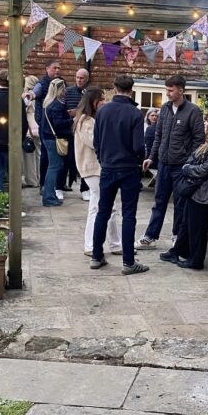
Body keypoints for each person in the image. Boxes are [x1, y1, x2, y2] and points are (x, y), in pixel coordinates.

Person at [138, 75, 205, 250]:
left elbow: (199, 140)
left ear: (181, 90)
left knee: (180, 204)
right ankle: (150, 236)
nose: (167, 93)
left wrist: (189, 162)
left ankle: (177, 237)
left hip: (181, 166)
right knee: (159, 201)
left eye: (171, 90)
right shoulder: (165, 109)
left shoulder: (193, 111)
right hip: (163, 164)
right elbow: (158, 136)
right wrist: (151, 157)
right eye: (166, 89)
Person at [91, 75, 148, 275]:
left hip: (108, 167)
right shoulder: (135, 113)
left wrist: (102, 158)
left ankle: (97, 256)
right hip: (129, 168)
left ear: (114, 88)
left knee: (103, 212)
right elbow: (138, 146)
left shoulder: (103, 111)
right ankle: (128, 262)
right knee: (129, 215)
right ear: (131, 90)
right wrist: (140, 159)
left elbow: (96, 141)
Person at [161, 113, 208, 270]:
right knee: (186, 224)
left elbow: (204, 170)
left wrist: (187, 169)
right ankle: (179, 251)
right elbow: (191, 158)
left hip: (205, 194)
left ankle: (196, 260)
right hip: (197, 190)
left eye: (207, 122)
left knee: (198, 229)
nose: (204, 124)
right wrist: (189, 166)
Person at [74, 86, 122, 257]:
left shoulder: (92, 119)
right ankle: (93, 245)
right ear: (92, 102)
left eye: (104, 99)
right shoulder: (86, 121)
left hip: (96, 167)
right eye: (100, 99)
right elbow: (95, 142)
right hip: (93, 168)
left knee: (105, 206)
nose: (103, 102)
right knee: (101, 207)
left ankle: (114, 244)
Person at [40, 78, 72, 208]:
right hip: (54, 139)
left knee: (53, 166)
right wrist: (72, 120)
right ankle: (48, 197)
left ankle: (50, 195)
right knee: (54, 167)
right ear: (59, 90)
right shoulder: (57, 105)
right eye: (63, 88)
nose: (65, 91)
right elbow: (58, 124)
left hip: (47, 138)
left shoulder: (47, 103)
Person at [63, 67, 90, 198]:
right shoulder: (68, 91)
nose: (79, 80)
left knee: (84, 161)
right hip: (69, 130)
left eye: (82, 78)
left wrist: (80, 113)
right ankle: (61, 186)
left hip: (84, 131)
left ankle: (84, 189)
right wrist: (70, 114)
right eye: (77, 77)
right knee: (66, 161)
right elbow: (63, 110)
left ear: (87, 79)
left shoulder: (89, 93)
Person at [34, 60, 61, 189]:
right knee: (46, 156)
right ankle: (43, 184)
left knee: (57, 158)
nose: (57, 70)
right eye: (54, 68)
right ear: (47, 69)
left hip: (57, 127)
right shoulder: (41, 84)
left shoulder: (60, 83)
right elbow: (34, 93)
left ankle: (56, 184)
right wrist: (29, 95)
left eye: (59, 68)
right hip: (45, 127)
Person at [22, 75, 40, 188]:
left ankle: (32, 180)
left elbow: (25, 109)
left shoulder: (27, 97)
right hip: (39, 126)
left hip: (30, 127)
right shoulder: (40, 95)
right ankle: (40, 178)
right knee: (39, 154)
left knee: (29, 155)